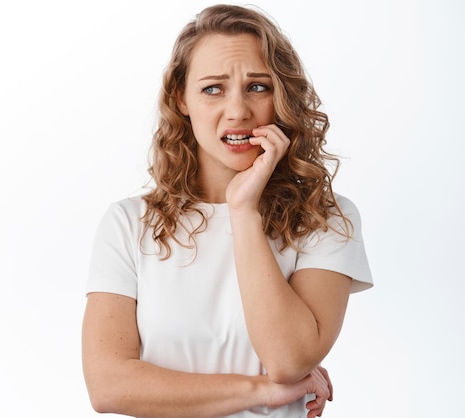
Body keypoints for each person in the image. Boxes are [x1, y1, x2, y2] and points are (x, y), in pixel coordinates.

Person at [82, 4, 373, 418]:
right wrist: (260, 391)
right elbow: (108, 386)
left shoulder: (326, 219)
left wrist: (242, 209)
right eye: (213, 88)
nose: (237, 111)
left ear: (282, 96)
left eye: (258, 87)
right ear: (181, 98)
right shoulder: (129, 224)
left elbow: (289, 360)